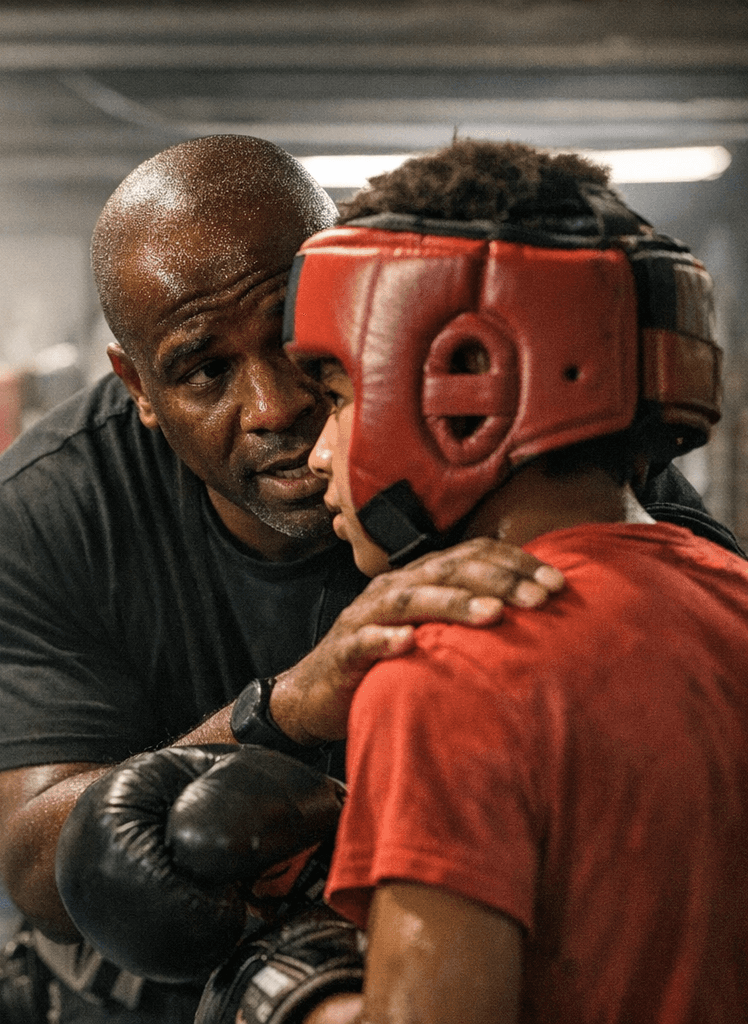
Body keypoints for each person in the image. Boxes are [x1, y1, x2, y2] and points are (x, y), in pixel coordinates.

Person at [0, 135, 739, 1024]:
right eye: (207, 371)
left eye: (320, 365)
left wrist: (302, 1002)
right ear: (137, 384)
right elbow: (37, 860)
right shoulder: (52, 505)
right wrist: (286, 714)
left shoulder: (459, 643)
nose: (285, 410)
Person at [273, 140, 747, 1024]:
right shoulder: (735, 603)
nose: (320, 452)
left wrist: (299, 1005)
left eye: (337, 393)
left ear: (470, 380)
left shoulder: (449, 674)